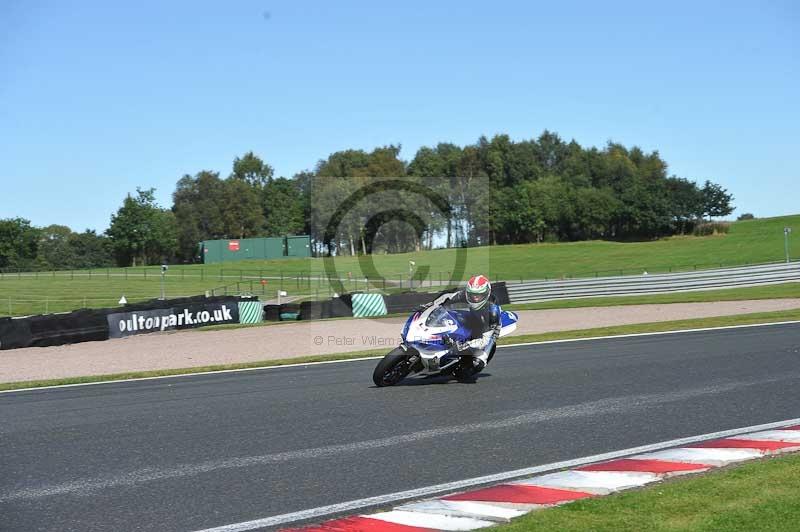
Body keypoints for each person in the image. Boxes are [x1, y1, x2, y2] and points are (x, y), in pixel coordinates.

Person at [425, 274, 501, 377]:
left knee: (479, 362)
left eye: (478, 295)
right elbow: (446, 297)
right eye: (472, 294)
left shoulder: (493, 312)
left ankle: (461, 369)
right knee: (449, 323)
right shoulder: (464, 295)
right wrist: (431, 305)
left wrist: (465, 345)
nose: (475, 298)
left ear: (486, 294)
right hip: (472, 317)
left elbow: (485, 340)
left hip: (487, 330)